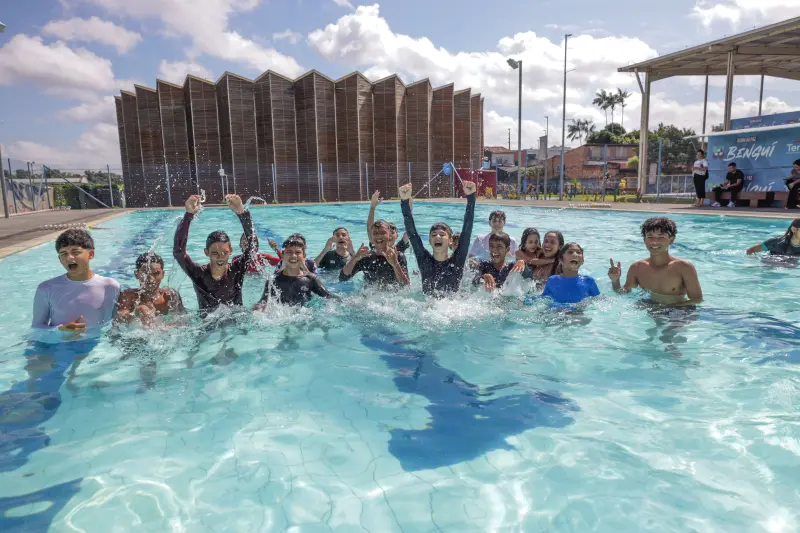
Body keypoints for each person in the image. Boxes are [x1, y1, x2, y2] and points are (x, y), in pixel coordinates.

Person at [173, 194, 256, 311]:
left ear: (230, 251)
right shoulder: (198, 274)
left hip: (237, 324)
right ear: (206, 252)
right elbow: (178, 252)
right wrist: (188, 215)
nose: (220, 257)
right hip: (208, 326)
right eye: (215, 253)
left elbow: (252, 248)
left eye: (224, 253)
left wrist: (242, 213)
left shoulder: (237, 270)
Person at [398, 180, 476, 296]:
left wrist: (471, 198)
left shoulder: (458, 260)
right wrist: (404, 202)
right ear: (429, 241)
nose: (437, 237)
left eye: (442, 235)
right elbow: (412, 233)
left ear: (450, 240)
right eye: (433, 235)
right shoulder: (424, 260)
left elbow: (467, 230)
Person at [32, 229, 120, 330]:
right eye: (64, 254)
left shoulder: (109, 286)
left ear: (91, 254)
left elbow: (111, 325)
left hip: (98, 345)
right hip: (59, 345)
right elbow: (36, 327)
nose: (69, 257)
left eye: (75, 252)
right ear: (60, 259)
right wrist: (60, 330)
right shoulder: (46, 288)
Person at [608, 217, 703, 305]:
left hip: (677, 312)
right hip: (650, 309)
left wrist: (666, 308)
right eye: (650, 237)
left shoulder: (683, 267)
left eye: (661, 237)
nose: (654, 242)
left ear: (671, 240)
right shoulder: (637, 268)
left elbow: (697, 300)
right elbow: (622, 293)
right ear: (644, 240)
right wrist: (615, 280)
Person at [257, 236, 336, 307]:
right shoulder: (273, 280)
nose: (293, 256)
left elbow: (329, 297)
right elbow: (262, 302)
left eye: (298, 252)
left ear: (304, 256)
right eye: (289, 252)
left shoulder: (311, 279)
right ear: (283, 255)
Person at [116, 252, 184, 327]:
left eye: (156, 273)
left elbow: (183, 320)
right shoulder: (129, 296)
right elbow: (119, 319)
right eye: (145, 273)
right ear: (136, 274)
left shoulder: (170, 296)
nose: (150, 278)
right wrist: (136, 313)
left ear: (163, 274)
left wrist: (165, 329)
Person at [340, 220, 409, 287]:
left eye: (382, 233)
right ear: (371, 237)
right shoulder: (366, 257)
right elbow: (343, 278)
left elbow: (406, 285)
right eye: (375, 233)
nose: (379, 236)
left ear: (389, 235)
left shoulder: (397, 256)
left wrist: (395, 264)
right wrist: (355, 259)